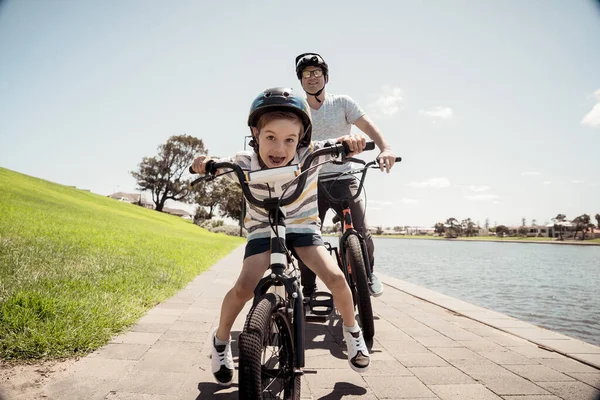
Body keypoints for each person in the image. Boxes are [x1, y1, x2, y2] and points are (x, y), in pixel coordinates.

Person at [191, 87, 370, 386]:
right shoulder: (244, 162)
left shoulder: (312, 155)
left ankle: (353, 332)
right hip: (263, 229)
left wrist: (350, 142)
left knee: (336, 278)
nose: (279, 147)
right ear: (255, 134)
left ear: (301, 140)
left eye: (290, 139)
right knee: (243, 288)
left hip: (302, 227)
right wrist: (204, 162)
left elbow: (338, 144)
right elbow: (214, 162)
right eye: (270, 137)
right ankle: (220, 341)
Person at [294, 52, 397, 302]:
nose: (312, 78)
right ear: (301, 80)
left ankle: (368, 273)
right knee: (306, 236)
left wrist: (386, 148)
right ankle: (308, 289)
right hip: (311, 181)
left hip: (344, 177)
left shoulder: (342, 103)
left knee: (360, 228)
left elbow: (369, 126)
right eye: (306, 73)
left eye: (317, 72)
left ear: (325, 77)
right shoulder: (298, 109)